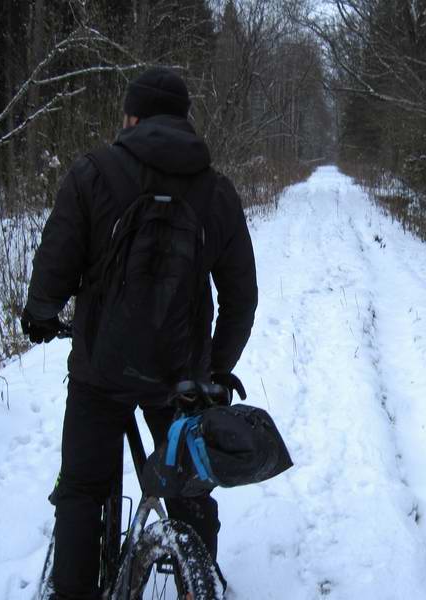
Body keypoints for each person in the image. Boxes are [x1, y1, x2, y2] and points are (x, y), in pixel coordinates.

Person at [21, 67, 258, 600]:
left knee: (83, 488)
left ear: (131, 116)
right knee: (190, 489)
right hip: (180, 377)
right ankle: (197, 580)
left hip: (100, 371)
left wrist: (41, 315)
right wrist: (216, 369)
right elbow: (241, 298)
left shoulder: (91, 174)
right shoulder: (216, 191)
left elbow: (55, 264)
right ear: (184, 119)